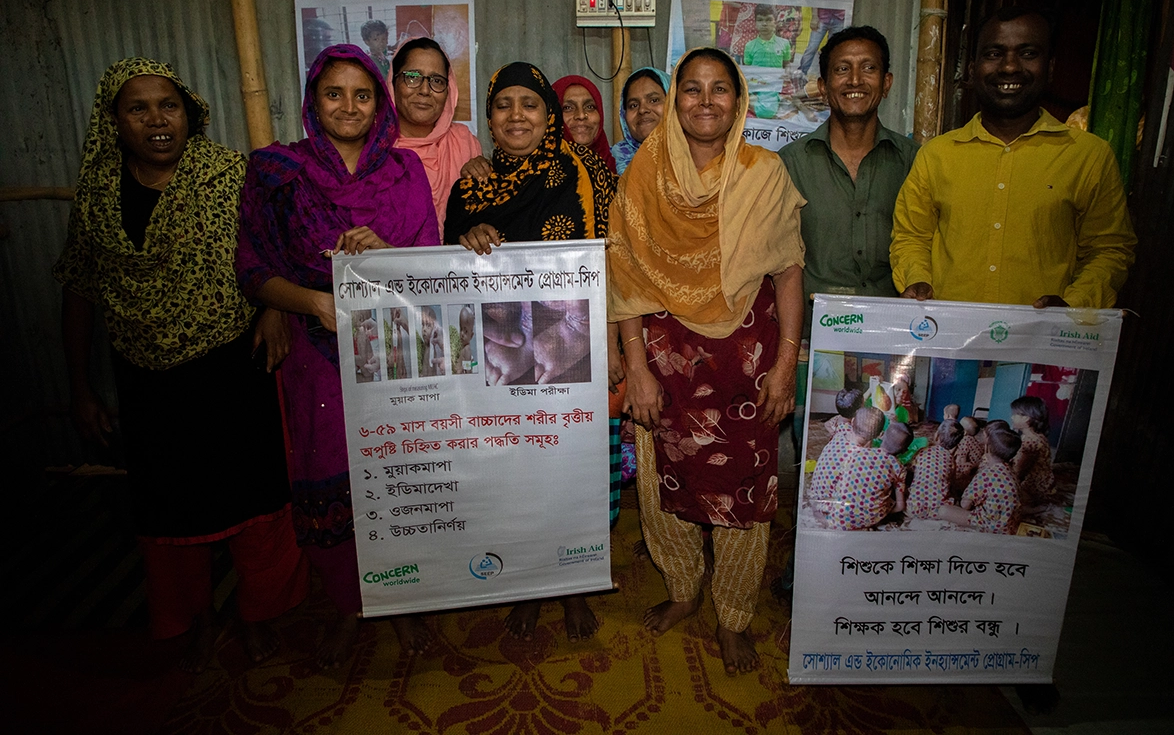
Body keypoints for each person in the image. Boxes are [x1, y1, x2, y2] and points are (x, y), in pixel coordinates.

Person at [54, 58, 307, 673]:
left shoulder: (227, 175)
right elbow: (80, 288)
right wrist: (80, 387)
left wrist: (273, 313)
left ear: (188, 113)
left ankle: (255, 616)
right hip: (147, 374)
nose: (155, 120)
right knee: (171, 506)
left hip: (233, 361)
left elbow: (270, 250)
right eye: (137, 108)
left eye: (167, 105)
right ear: (114, 120)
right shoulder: (99, 194)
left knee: (253, 497)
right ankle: (201, 619)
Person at [236, 44, 439, 668]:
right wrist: (310, 303)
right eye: (334, 93)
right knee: (330, 482)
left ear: (380, 103)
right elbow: (252, 267)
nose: (348, 106)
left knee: (400, 480)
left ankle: (404, 602)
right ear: (312, 101)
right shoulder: (276, 172)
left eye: (362, 94)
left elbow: (432, 267)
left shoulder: (404, 174)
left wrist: (380, 253)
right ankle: (352, 606)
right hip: (314, 356)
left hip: (396, 355)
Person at [607, 47, 805, 675]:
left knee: (745, 490)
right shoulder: (644, 174)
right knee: (666, 481)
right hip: (665, 360)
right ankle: (685, 591)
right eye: (691, 89)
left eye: (720, 89)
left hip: (747, 362)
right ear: (674, 101)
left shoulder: (764, 172)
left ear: (739, 99)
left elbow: (789, 274)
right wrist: (635, 368)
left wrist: (785, 366)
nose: (706, 101)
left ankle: (734, 617)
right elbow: (626, 276)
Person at [445, 61, 616, 643]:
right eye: (504, 105)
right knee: (511, 471)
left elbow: (609, 255)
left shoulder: (583, 169)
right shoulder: (470, 185)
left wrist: (612, 344)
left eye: (531, 105)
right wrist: (468, 241)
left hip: (570, 346)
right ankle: (522, 583)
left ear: (549, 117)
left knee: (568, 467)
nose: (517, 115)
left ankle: (571, 584)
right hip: (500, 352)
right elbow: (445, 275)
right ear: (489, 118)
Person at [891, 7, 1137, 309]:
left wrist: (1073, 305)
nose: (1009, 67)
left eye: (1028, 53)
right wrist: (917, 281)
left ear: (1050, 67)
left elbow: (1110, 249)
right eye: (994, 54)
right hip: (948, 341)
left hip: (1043, 345)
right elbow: (911, 237)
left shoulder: (1089, 156)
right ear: (972, 68)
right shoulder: (936, 155)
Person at [778, 25, 918, 337]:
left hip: (895, 339)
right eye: (842, 69)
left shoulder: (915, 162)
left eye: (868, 68)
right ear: (823, 87)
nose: (855, 79)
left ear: (886, 83)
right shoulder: (788, 164)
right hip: (811, 342)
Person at [391, 37, 483, 239]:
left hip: (456, 269)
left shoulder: (464, 142)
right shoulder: (375, 150)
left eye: (437, 81)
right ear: (393, 82)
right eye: (412, 77)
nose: (424, 90)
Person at [941, 423, 1023, 534]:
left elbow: (965, 505)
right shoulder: (1012, 473)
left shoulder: (985, 475)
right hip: (1009, 525)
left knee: (944, 510)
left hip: (989, 525)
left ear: (986, 448)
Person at [552, 74, 616, 173]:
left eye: (590, 107)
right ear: (552, 115)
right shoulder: (538, 172)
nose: (581, 115)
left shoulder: (620, 169)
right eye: (568, 108)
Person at [612, 67, 669, 175]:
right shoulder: (609, 163)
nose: (642, 110)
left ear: (673, 105)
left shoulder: (697, 156)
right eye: (633, 105)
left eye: (654, 100)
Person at [742, 4, 793, 119]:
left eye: (768, 20)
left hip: (775, 85)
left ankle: (754, 106)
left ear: (775, 22)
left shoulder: (784, 43)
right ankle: (750, 102)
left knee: (769, 111)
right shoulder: (750, 46)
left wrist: (787, 73)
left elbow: (787, 64)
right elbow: (747, 70)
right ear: (755, 23)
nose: (764, 24)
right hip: (756, 85)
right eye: (760, 20)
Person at [906, 421, 964, 519]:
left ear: (936, 436)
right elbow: (952, 483)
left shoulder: (922, 451)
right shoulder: (951, 459)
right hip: (938, 510)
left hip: (914, 508)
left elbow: (911, 469)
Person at [1011, 395, 1054, 505]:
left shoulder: (1032, 442)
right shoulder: (1035, 436)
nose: (1012, 417)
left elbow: (1019, 473)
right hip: (1037, 485)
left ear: (1026, 418)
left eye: (1015, 414)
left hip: (1034, 490)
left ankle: (1034, 508)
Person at [798, 8, 846, 80]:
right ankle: (801, 73)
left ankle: (828, 76)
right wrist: (814, 16)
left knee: (833, 50)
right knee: (812, 47)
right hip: (822, 18)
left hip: (839, 19)